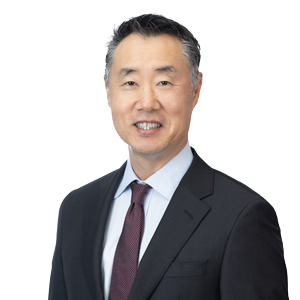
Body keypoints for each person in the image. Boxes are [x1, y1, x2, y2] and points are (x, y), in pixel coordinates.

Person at [48, 13, 289, 300]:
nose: (147, 102)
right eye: (130, 82)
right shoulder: (77, 209)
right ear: (108, 91)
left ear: (196, 89)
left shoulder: (242, 217)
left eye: (164, 82)